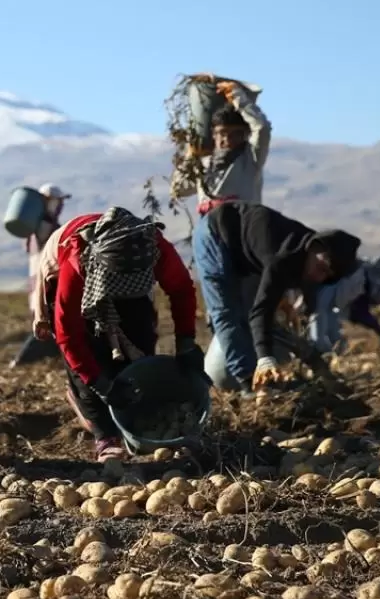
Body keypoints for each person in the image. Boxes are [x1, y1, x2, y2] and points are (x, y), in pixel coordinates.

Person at [52, 207, 203, 461]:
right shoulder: (76, 263)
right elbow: (69, 336)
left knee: (140, 339)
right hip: (80, 278)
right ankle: (104, 433)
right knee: (91, 354)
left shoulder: (154, 248)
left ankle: (135, 424)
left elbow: (181, 292)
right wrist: (101, 385)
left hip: (130, 284)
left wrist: (186, 342)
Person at [192, 201, 362, 393]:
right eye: (321, 269)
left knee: (262, 317)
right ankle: (249, 383)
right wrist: (265, 360)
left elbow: (290, 305)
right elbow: (260, 312)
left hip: (246, 256)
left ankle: (298, 367)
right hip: (214, 234)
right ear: (313, 246)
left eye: (327, 276)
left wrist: (311, 357)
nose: (319, 277)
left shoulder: (313, 261)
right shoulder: (281, 259)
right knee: (227, 314)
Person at [174, 79, 272, 216]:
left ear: (245, 134)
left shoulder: (250, 159)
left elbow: (262, 127)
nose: (227, 139)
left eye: (235, 134)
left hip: (242, 226)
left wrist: (237, 96)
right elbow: (179, 189)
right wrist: (191, 154)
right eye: (222, 134)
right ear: (214, 134)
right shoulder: (204, 163)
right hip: (210, 227)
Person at [11, 183, 71, 367]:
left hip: (38, 285)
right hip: (46, 287)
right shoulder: (47, 227)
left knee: (54, 328)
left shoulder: (34, 230)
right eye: (58, 202)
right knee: (46, 327)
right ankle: (20, 362)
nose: (60, 206)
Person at [299, 256, 380, 353]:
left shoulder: (361, 279)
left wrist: (379, 329)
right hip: (319, 299)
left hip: (324, 302)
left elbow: (357, 310)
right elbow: (356, 311)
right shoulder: (358, 279)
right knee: (320, 339)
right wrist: (379, 330)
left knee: (334, 339)